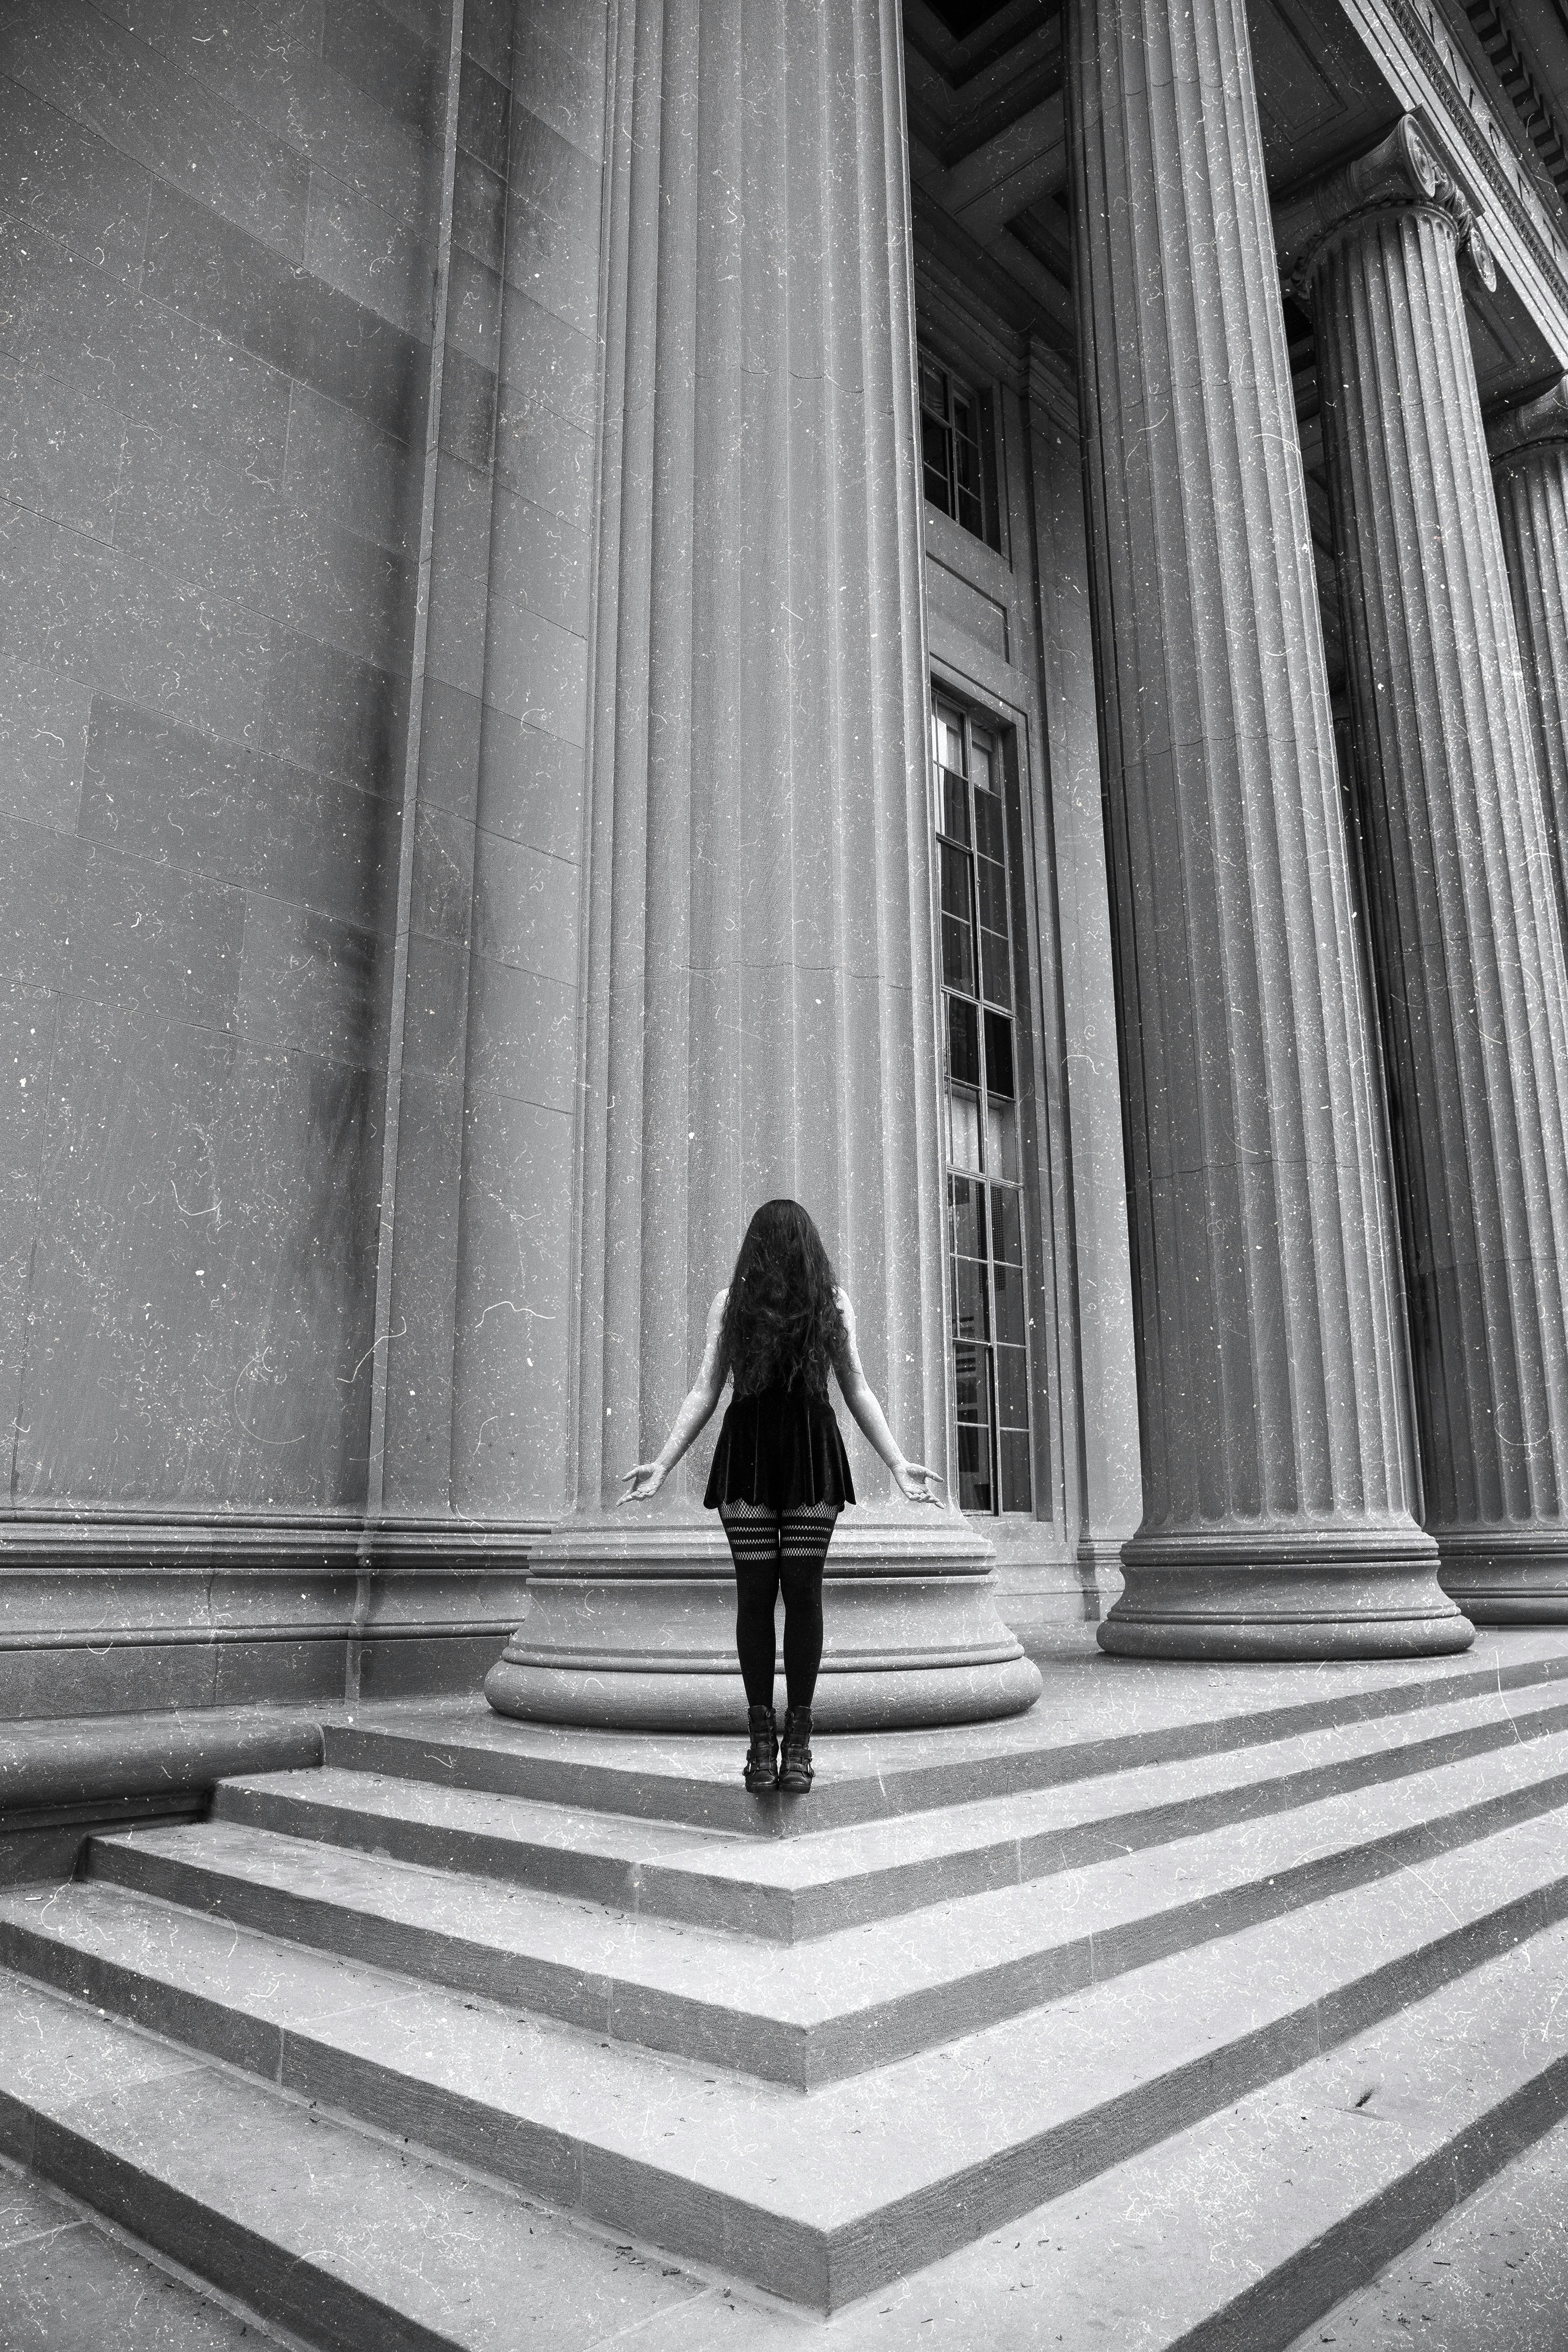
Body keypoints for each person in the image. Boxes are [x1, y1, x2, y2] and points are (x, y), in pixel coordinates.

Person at [618, 1199, 945, 1794]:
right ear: (809, 1244)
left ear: (756, 1245)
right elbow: (712, 1387)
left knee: (768, 1595)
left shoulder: (824, 1303)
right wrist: (662, 1464)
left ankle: (783, 1742)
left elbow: (849, 1386)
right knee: (794, 1594)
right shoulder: (742, 1304)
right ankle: (777, 1745)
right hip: (777, 1451)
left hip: (786, 1452)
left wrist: (899, 1463)